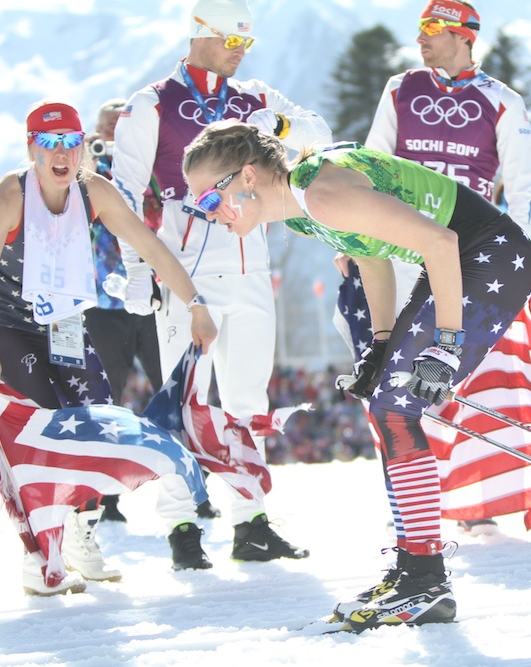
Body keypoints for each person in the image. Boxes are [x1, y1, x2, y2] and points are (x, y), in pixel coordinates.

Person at [181, 121, 531, 629]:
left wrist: (445, 346)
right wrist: (384, 342)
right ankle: (419, 568)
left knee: (395, 409)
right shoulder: (306, 211)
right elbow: (372, 253)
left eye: (209, 200)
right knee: (387, 406)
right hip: (469, 255)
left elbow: (438, 242)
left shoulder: (320, 194)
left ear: (247, 177)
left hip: (487, 254)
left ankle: (425, 578)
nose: (208, 215)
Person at [0, 100, 217, 595]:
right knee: (43, 435)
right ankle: (40, 557)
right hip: (12, 327)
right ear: (31, 149)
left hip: (65, 324)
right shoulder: (8, 197)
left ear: (82, 147)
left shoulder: (92, 190)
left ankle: (81, 536)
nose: (61, 155)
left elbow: (149, 247)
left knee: (97, 424)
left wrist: (196, 304)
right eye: (50, 144)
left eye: (70, 143)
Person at [111, 0, 331, 569]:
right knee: (186, 401)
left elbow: (319, 134)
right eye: (231, 39)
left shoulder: (255, 96)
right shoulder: (151, 103)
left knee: (246, 401)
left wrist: (275, 127)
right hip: (186, 276)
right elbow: (126, 195)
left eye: (246, 42)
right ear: (199, 32)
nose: (238, 50)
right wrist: (137, 268)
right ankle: (182, 527)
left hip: (251, 263)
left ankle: (250, 522)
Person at [343, 0, 531, 535]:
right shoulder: (400, 87)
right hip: (407, 241)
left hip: (472, 249)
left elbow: (524, 191)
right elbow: (368, 165)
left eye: (434, 29)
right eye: (421, 28)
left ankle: (475, 502)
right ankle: (411, 501)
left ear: (466, 36)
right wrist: (355, 237)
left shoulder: (503, 101)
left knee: (461, 370)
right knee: (399, 370)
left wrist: (520, 257)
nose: (423, 39)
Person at [81, 98, 166, 523]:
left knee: (170, 391)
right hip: (101, 303)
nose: (113, 139)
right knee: (104, 402)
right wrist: (88, 164)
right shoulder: (81, 170)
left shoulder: (147, 165)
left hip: (151, 298)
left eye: (120, 130)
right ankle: (103, 497)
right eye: (105, 131)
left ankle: (187, 490)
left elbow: (158, 214)